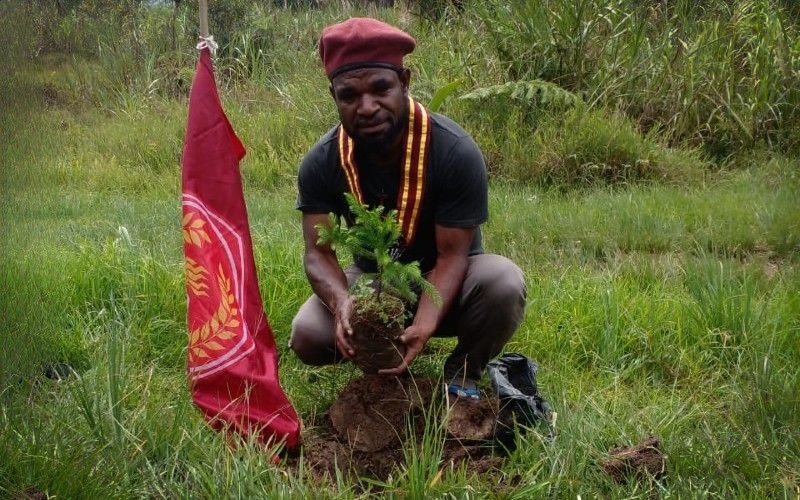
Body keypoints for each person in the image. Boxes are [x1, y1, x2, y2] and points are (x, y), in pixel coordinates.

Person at [289, 17, 526, 399]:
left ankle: (463, 372)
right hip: (374, 281)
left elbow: (453, 255)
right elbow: (318, 253)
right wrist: (342, 301)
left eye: (381, 88)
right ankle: (383, 370)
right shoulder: (322, 161)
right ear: (334, 95)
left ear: (405, 82)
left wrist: (427, 318)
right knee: (308, 334)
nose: (367, 107)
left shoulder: (453, 150)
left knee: (503, 283)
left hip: (451, 279)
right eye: (349, 95)